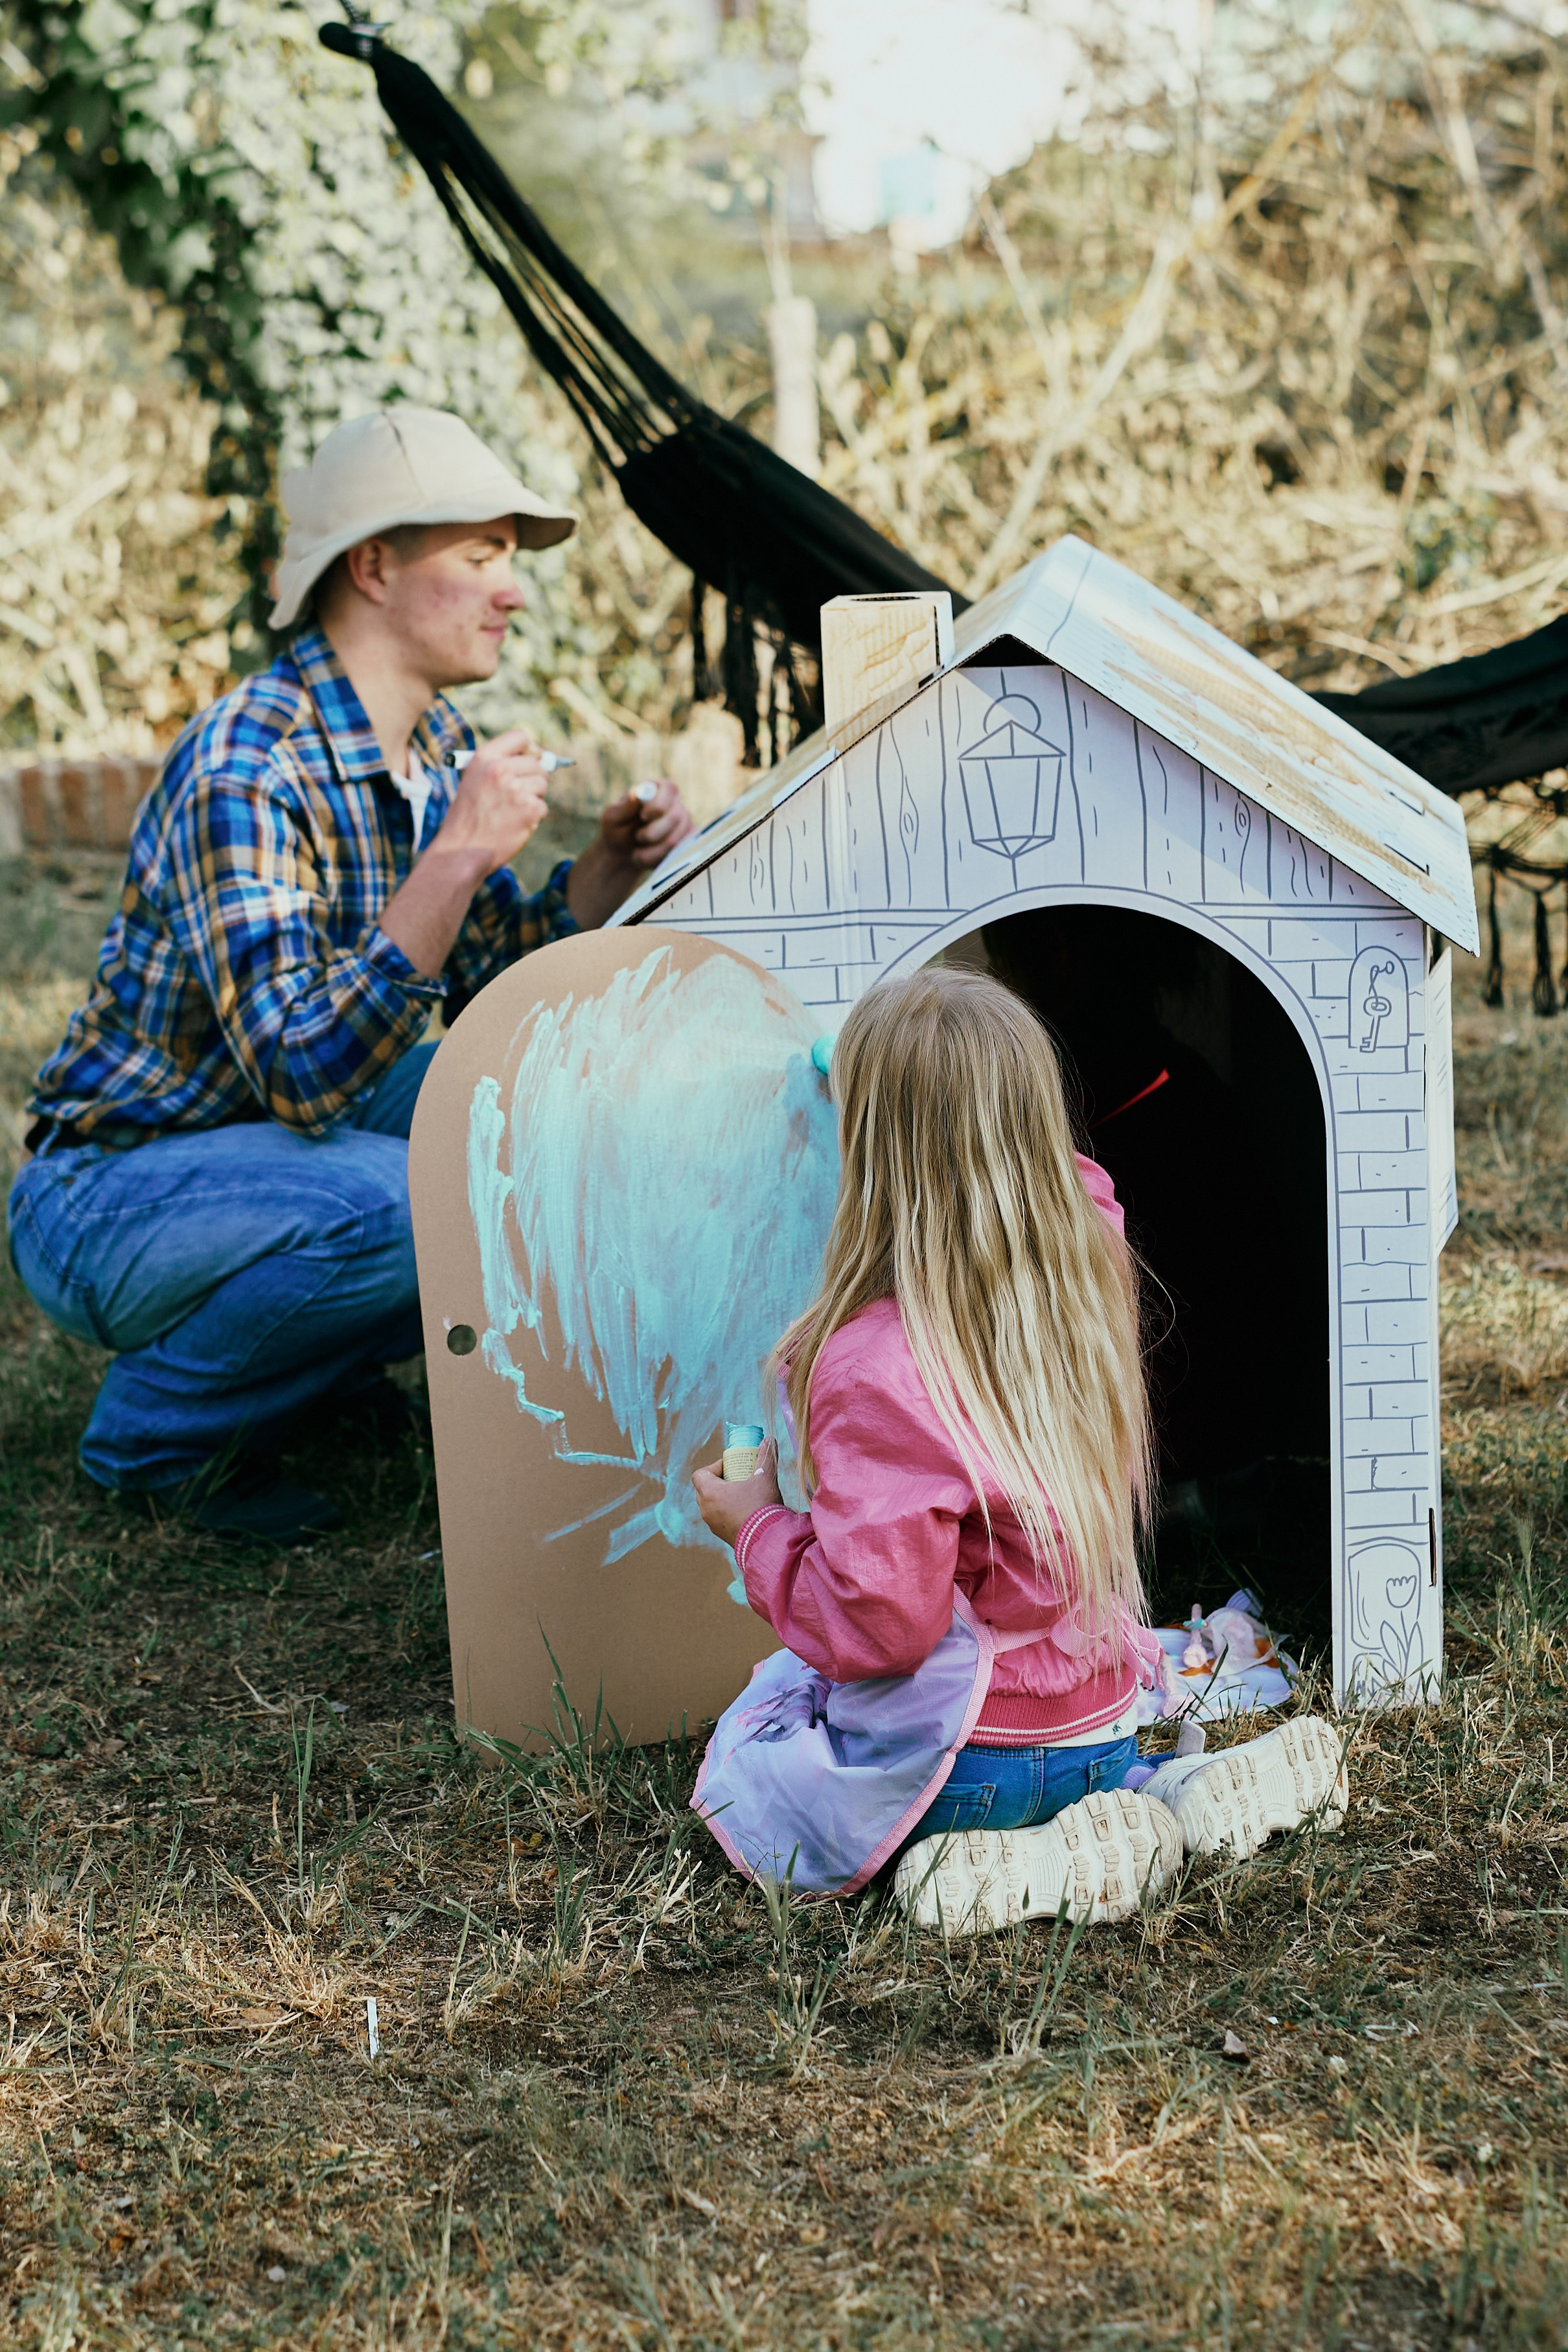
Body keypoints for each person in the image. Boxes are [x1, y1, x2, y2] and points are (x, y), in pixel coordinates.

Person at [6, 407, 696, 1543]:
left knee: (529, 1128)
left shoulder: (426, 745)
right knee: (421, 1197)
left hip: (260, 1165)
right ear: (373, 566)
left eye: (510, 563)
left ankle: (305, 1377)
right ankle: (155, 1435)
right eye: (481, 557)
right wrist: (462, 850)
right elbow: (303, 1076)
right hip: (110, 1195)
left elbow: (480, 978)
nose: (513, 592)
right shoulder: (249, 762)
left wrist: (610, 869)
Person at [690, 967, 1347, 1934]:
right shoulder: (1085, 1263)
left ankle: (989, 1845)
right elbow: (1073, 1180)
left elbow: (882, 1624)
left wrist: (756, 1530)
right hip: (1097, 1719)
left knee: (751, 1745)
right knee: (1068, 1743)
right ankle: (1163, 1792)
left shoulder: (874, 1364)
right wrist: (934, 1086)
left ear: (867, 1149)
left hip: (971, 1759)